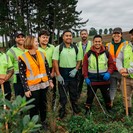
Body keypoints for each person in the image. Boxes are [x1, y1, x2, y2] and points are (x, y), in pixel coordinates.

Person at [18, 35, 54, 130]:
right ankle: (33, 126)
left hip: (44, 85)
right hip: (33, 86)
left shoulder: (42, 54)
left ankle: (43, 122)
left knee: (43, 104)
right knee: (34, 107)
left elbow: (47, 69)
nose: (38, 43)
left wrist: (50, 80)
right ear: (30, 43)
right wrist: (26, 89)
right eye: (36, 42)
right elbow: (22, 75)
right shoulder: (23, 57)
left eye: (37, 42)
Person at [53, 30, 82, 119]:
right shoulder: (58, 48)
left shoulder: (76, 48)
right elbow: (55, 61)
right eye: (67, 35)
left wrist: (76, 69)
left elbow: (79, 60)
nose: (69, 37)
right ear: (63, 37)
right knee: (63, 94)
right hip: (63, 73)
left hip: (73, 74)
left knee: (73, 92)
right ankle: (62, 110)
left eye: (70, 35)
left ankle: (75, 107)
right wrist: (58, 74)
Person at [83, 35, 114, 115]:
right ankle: (87, 109)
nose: (97, 43)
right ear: (93, 42)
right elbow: (85, 67)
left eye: (99, 41)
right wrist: (86, 77)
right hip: (92, 80)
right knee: (90, 96)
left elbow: (111, 65)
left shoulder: (107, 53)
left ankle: (109, 108)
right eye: (96, 41)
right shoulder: (88, 54)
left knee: (107, 96)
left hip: (104, 80)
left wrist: (108, 73)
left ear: (101, 42)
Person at [106, 27, 129, 106]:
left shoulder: (127, 44)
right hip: (112, 71)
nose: (116, 35)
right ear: (112, 35)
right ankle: (111, 102)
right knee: (112, 87)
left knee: (125, 89)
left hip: (123, 71)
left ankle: (126, 105)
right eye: (114, 33)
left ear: (121, 35)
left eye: (118, 33)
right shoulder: (108, 45)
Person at [38, 30, 56, 108]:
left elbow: (55, 60)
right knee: (42, 90)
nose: (45, 39)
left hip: (51, 70)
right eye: (43, 37)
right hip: (40, 71)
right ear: (39, 38)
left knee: (52, 88)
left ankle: (52, 105)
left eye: (47, 37)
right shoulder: (36, 47)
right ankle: (43, 106)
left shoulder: (52, 47)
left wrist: (53, 72)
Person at [7, 31, 26, 97]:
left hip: (30, 78)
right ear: (15, 39)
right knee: (20, 99)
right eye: (18, 37)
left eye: (22, 37)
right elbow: (8, 66)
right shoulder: (11, 51)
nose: (21, 38)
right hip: (18, 79)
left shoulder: (29, 48)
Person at [116, 40, 133, 116]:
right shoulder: (125, 47)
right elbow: (118, 59)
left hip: (128, 72)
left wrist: (128, 70)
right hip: (126, 77)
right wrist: (120, 69)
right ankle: (128, 113)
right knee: (126, 97)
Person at [76, 29, 92, 98]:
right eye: (82, 34)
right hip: (80, 67)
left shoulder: (92, 44)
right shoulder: (77, 44)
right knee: (79, 84)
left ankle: (89, 99)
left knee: (90, 84)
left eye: (85, 34)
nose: (83, 35)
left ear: (87, 35)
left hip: (89, 68)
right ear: (80, 35)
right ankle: (77, 97)